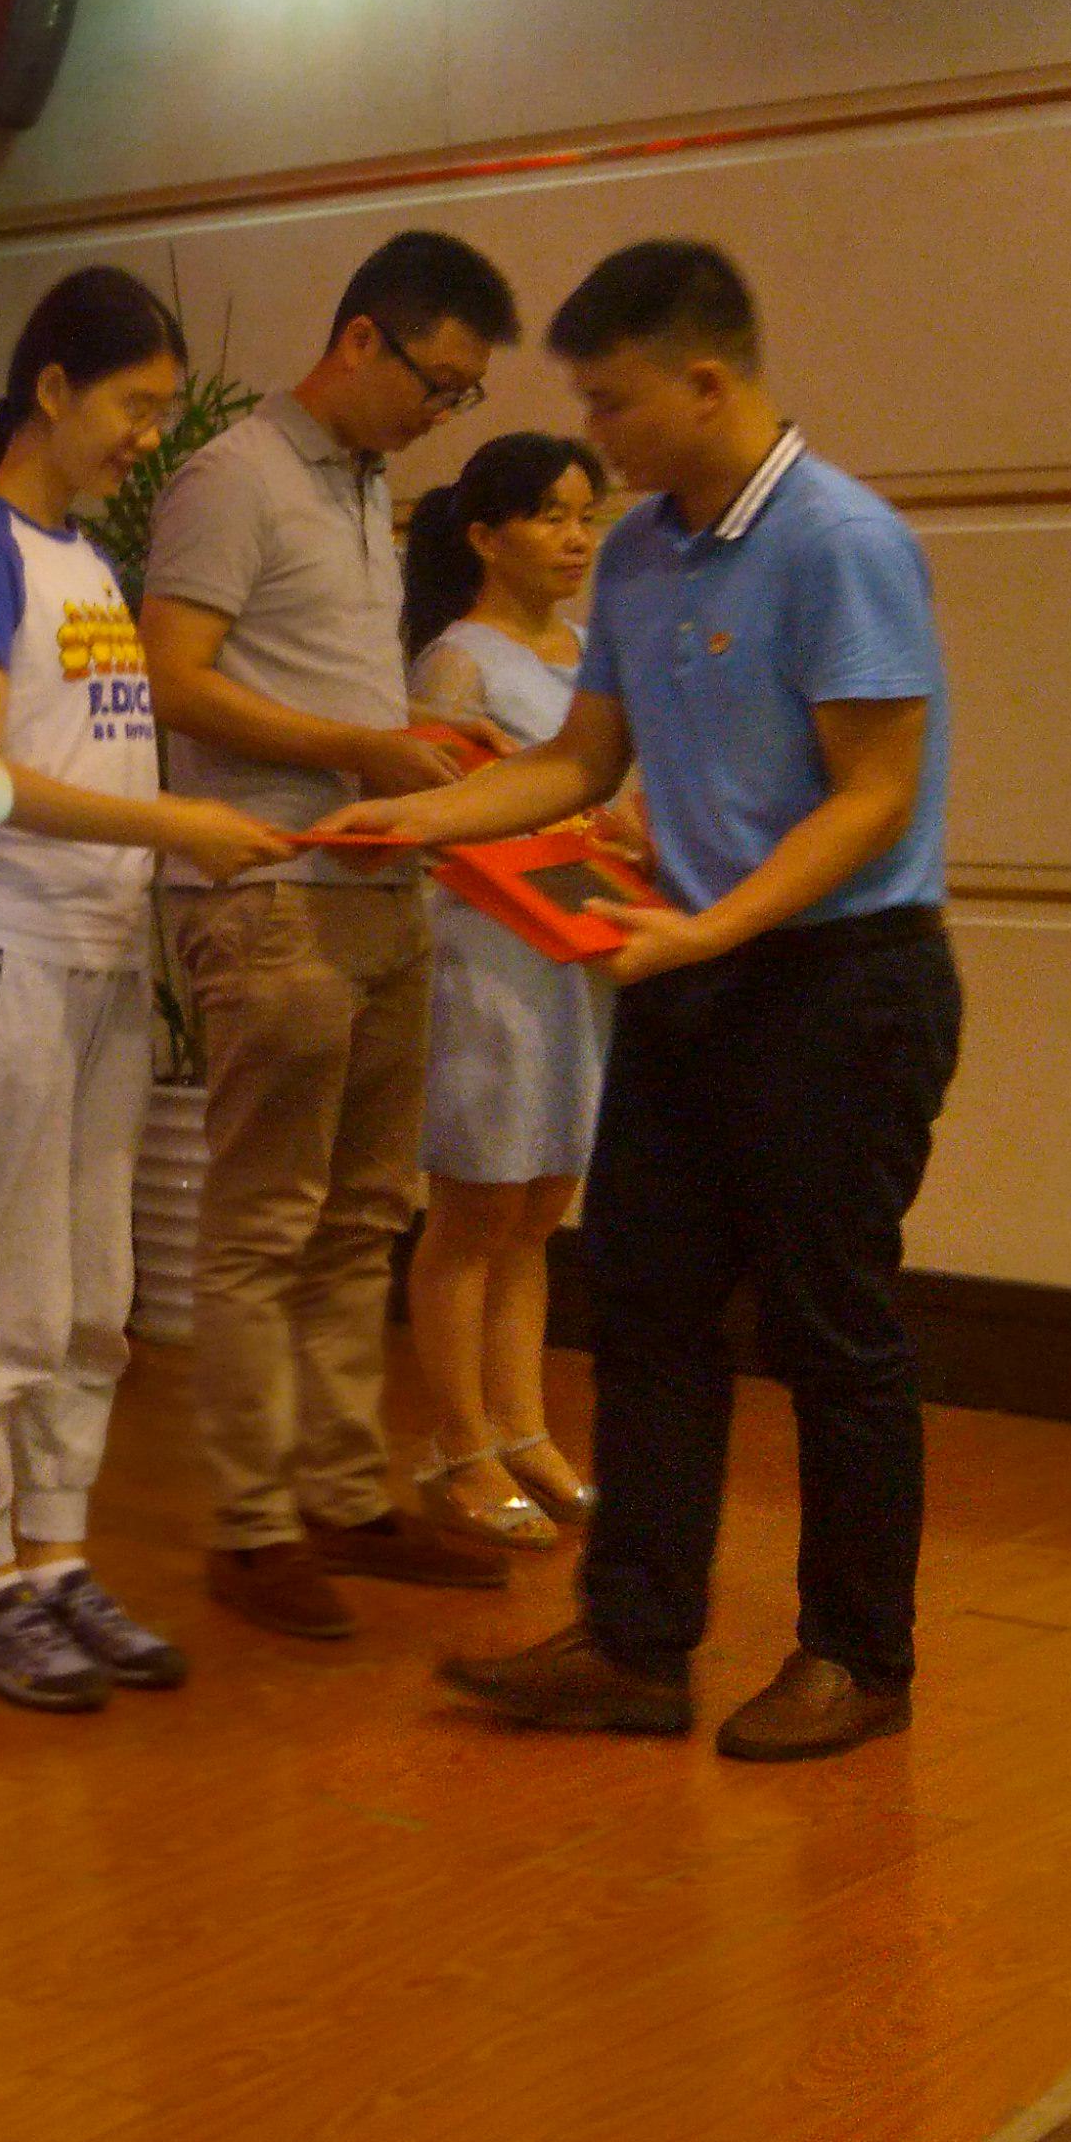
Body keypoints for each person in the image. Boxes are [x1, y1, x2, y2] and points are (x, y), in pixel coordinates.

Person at [329, 239, 959, 1763]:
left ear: (707, 381)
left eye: (613, 405)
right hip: (689, 975)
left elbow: (875, 795)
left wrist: (714, 927)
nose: (595, 440)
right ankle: (636, 1642)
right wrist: (419, 817)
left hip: (839, 983)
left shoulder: (842, 541)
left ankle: (856, 1655)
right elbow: (578, 761)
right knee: (649, 1311)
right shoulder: (647, 556)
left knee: (833, 1329)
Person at [0, 268, 300, 1712]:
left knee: (89, 1291)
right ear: (53, 388)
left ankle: (55, 1561)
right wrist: (178, 823)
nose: (149, 436)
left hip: (100, 957)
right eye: (134, 405)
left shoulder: (81, 560)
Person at [142, 230, 529, 1640]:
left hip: (378, 888)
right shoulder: (232, 475)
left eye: (462, 395)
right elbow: (174, 680)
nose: (442, 415)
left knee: (364, 1215)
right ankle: (254, 1530)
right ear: (360, 339)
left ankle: (345, 1495)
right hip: (269, 891)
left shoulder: (366, 484)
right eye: (436, 383)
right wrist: (356, 750)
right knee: (263, 1221)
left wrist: (418, 746)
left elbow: (320, 687)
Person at [396, 432, 623, 1550]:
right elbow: (441, 828)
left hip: (577, 946)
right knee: (474, 1206)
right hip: (489, 950)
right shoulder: (456, 661)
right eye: (548, 515)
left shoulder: (587, 651)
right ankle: (457, 1441)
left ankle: (522, 1427)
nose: (575, 538)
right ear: (485, 536)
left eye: (586, 515)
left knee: (538, 1206)